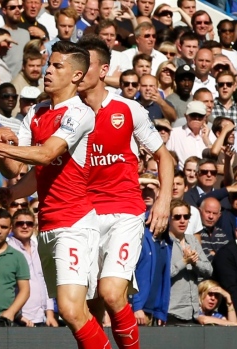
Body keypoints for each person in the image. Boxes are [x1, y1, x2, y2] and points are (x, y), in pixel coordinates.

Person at [0, 40, 111, 348]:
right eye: (48, 64)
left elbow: (45, 153)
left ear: (77, 76)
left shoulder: (80, 113)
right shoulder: (37, 111)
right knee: (75, 313)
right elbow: (15, 168)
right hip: (48, 224)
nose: (47, 70)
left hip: (76, 223)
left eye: (56, 66)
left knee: (69, 308)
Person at [77, 35, 174, 348]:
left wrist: (162, 202)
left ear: (104, 70)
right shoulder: (65, 112)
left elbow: (164, 157)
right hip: (83, 216)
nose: (77, 71)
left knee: (111, 293)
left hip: (123, 213)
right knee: (88, 306)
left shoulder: (128, 110)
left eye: (86, 65)